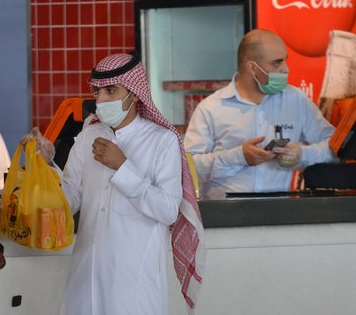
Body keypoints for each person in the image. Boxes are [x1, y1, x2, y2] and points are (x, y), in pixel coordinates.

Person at [24, 53, 205, 315]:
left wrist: (122, 166)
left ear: (134, 93)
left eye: (111, 90)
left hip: (134, 282)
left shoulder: (161, 140)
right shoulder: (88, 137)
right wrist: (46, 164)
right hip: (87, 276)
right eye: (98, 91)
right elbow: (69, 199)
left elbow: (167, 210)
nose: (101, 99)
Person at [184, 29, 337, 200]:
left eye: (285, 61)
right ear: (252, 67)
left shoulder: (295, 100)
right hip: (224, 219)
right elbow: (188, 167)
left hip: (278, 216)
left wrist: (301, 154)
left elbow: (336, 147)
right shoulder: (211, 107)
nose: (285, 69)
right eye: (276, 63)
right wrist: (239, 157)